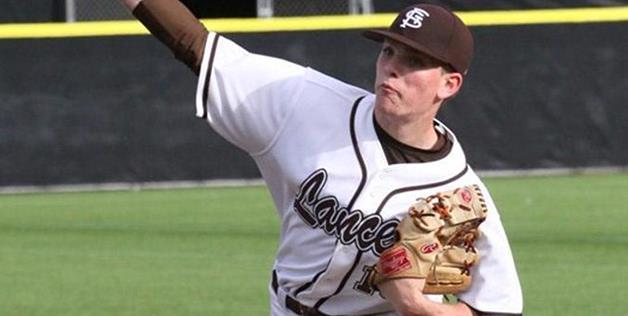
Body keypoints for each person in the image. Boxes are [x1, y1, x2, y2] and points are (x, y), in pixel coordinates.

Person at [117, 0, 523, 315]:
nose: (391, 69)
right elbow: (195, 45)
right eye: (388, 52)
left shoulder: (461, 197)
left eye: (413, 62)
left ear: (449, 84)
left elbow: (498, 307)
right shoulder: (306, 104)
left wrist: (418, 308)